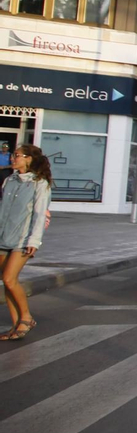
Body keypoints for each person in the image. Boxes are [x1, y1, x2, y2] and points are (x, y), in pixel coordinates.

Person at [0, 144, 52, 342]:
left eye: (18, 156)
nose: (14, 158)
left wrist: (34, 240)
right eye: (13, 155)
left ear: (29, 159)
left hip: (23, 239)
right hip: (3, 237)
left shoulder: (40, 184)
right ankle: (16, 325)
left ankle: (27, 318)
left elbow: (39, 215)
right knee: (7, 283)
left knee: (9, 278)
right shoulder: (8, 181)